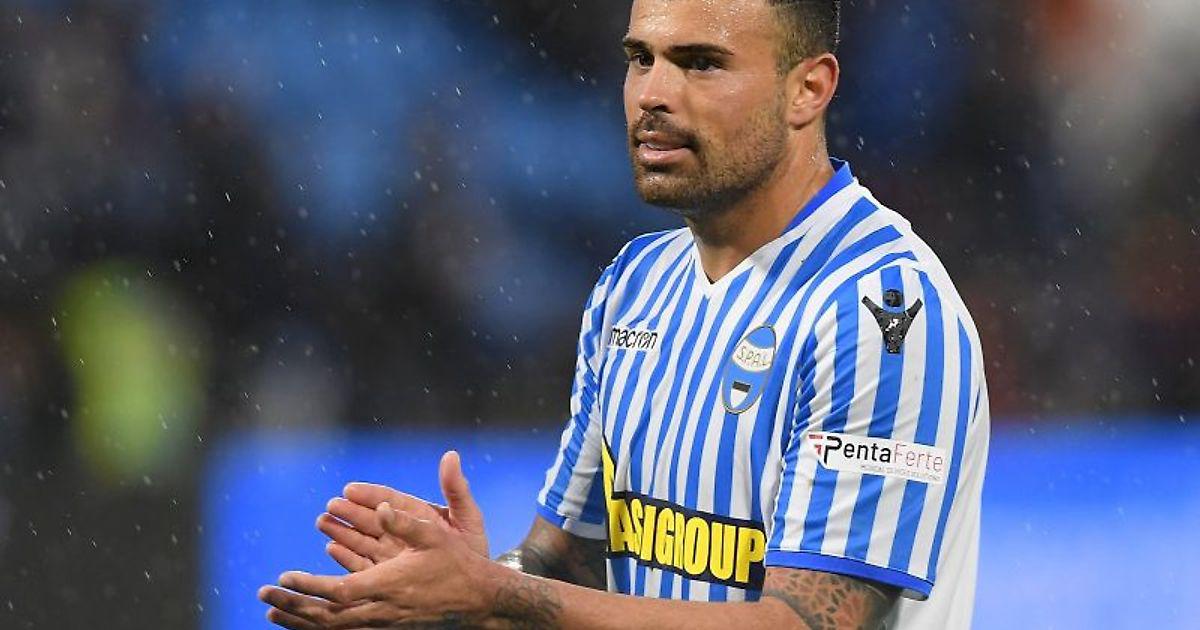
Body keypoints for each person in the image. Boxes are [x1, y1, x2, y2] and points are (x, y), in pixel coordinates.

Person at [258, 0, 990, 627]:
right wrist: (457, 586)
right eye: (641, 59)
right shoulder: (635, 285)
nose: (653, 94)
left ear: (808, 89)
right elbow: (564, 563)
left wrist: (492, 593)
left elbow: (802, 622)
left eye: (701, 63)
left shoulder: (884, 313)